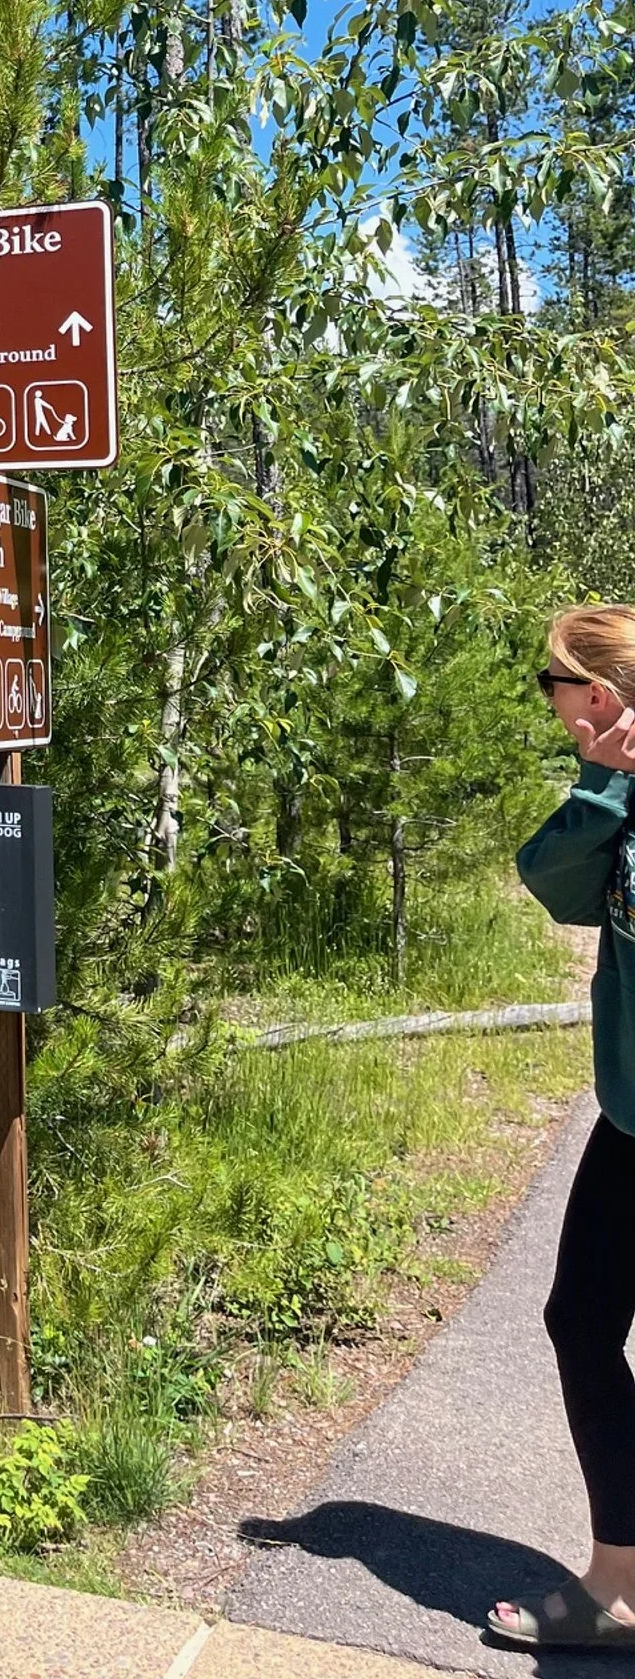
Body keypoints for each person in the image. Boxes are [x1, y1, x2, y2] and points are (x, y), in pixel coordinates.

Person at [489, 606, 635, 1647]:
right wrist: (606, 785)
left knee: (582, 1321)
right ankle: (617, 1582)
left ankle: (618, 1589)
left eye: (551, 686)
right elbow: (556, 885)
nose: (547, 706)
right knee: (580, 1319)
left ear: (597, 696)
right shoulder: (621, 795)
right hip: (630, 1115)